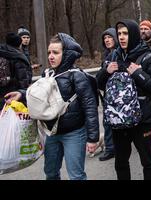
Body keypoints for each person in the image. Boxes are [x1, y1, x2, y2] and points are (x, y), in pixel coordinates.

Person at [97, 19, 151, 180]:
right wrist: (105, 72)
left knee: (147, 160)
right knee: (120, 162)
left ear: (134, 35)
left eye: (126, 33)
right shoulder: (113, 56)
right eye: (119, 33)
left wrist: (139, 74)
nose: (121, 37)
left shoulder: (148, 57)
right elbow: (99, 85)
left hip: (143, 120)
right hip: (118, 120)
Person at [42, 33, 99, 180]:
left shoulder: (77, 76)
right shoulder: (46, 74)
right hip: (52, 133)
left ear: (66, 54)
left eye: (55, 52)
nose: (51, 56)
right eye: (49, 52)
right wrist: (20, 94)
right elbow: (36, 96)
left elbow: (90, 107)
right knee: (51, 173)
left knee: (76, 176)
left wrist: (93, 138)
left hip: (74, 134)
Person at [96, 28, 118, 161]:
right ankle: (111, 148)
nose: (107, 40)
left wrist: (104, 73)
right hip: (107, 94)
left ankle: (111, 148)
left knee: (110, 123)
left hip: (116, 95)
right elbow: (101, 76)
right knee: (108, 122)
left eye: (110, 37)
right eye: (105, 38)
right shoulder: (106, 54)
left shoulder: (117, 53)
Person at [0, 32, 32, 108]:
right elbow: (23, 81)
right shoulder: (18, 58)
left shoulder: (2, 53)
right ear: (19, 44)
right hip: (13, 97)